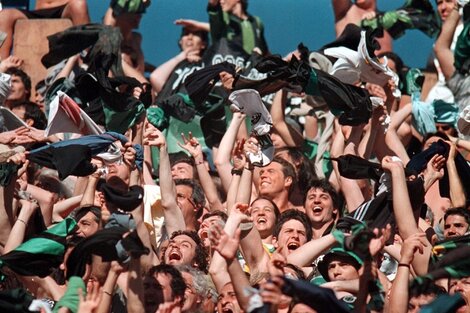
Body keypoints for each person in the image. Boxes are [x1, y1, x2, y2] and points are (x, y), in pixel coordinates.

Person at [0, 0, 90, 59]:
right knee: (4, 16)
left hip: (64, 9)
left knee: (79, 5)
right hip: (38, 12)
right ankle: (2, 68)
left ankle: (87, 60)